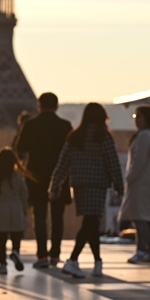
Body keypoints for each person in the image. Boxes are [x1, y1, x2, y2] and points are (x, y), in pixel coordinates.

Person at [49, 103, 124, 278]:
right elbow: (112, 162)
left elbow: (63, 164)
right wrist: (119, 186)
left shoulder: (75, 137)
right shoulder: (103, 137)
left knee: (90, 223)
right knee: (90, 223)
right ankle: (73, 260)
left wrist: (54, 185)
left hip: (80, 185)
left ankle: (98, 262)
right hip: (98, 185)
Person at [13, 92, 73, 268]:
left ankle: (42, 255)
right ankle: (55, 254)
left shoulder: (30, 125)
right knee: (57, 218)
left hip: (36, 176)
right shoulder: (64, 126)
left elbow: (19, 147)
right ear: (56, 106)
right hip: (59, 176)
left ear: (39, 105)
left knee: (39, 217)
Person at [119, 105, 150, 264]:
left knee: (140, 217)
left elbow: (138, 160)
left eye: (139, 117)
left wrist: (129, 178)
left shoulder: (144, 136)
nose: (136, 120)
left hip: (142, 182)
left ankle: (141, 250)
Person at [0, 148, 30, 275]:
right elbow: (24, 193)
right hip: (16, 207)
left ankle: (2, 265)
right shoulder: (18, 177)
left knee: (2, 239)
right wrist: (24, 209)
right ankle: (15, 252)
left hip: (1, 207)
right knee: (16, 235)